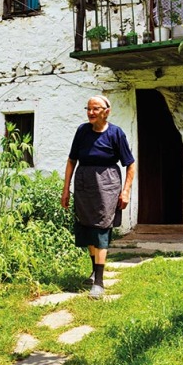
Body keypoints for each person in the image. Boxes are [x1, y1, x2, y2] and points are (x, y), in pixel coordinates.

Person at [61, 95, 135, 299]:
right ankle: (94, 272)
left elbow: (130, 164)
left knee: (102, 228)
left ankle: (100, 283)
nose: (91, 113)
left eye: (95, 109)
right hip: (84, 183)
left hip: (107, 184)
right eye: (88, 109)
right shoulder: (82, 131)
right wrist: (65, 189)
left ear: (106, 111)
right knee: (87, 227)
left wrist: (126, 190)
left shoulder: (115, 134)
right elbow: (71, 160)